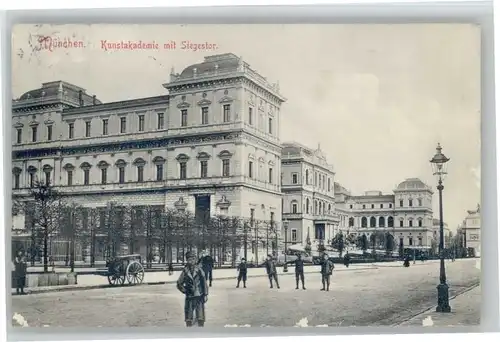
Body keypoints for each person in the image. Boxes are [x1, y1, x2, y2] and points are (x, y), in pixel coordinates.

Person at [177, 251, 209, 327]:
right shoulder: (185, 271)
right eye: (189, 259)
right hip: (190, 296)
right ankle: (189, 330)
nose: (191, 261)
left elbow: (204, 282)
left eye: (193, 259)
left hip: (199, 295)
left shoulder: (199, 270)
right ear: (187, 260)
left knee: (200, 315)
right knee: (189, 317)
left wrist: (205, 294)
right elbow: (179, 283)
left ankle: (201, 329)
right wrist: (185, 290)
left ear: (195, 260)